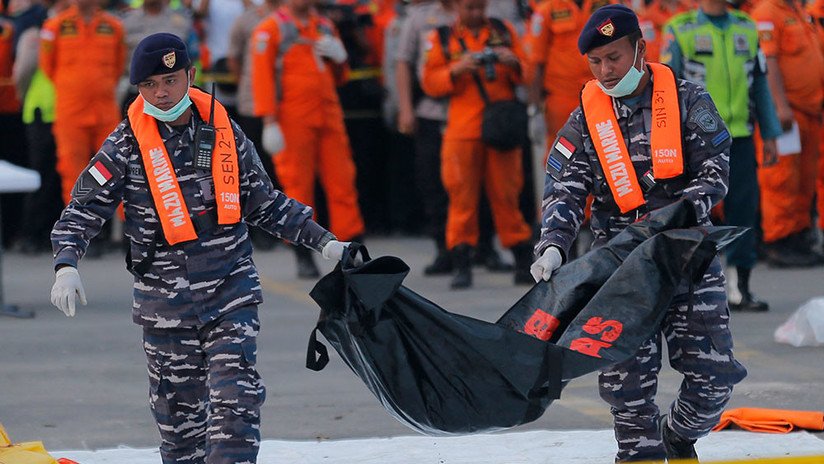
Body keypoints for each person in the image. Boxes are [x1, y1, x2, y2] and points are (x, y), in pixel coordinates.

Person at [48, 33, 358, 464]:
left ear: (190, 76)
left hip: (231, 291)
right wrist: (66, 264)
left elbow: (263, 201)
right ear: (138, 89)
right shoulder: (125, 145)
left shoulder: (223, 131)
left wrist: (324, 242)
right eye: (150, 84)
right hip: (165, 304)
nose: (162, 92)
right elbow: (83, 211)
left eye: (171, 80)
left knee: (237, 404)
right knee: (180, 428)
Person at [530, 5, 747, 461]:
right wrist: (552, 245)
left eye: (614, 57)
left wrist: (684, 210)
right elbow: (565, 191)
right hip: (620, 269)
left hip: (684, 254)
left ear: (640, 49)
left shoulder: (688, 100)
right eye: (596, 62)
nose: (606, 71)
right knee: (627, 393)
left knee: (714, 379)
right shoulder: (583, 121)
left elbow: (716, 169)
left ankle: (679, 433)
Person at [662, 0, 782, 312]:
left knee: (743, 211)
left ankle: (739, 286)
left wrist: (769, 133)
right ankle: (687, 288)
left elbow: (760, 84)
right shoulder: (680, 29)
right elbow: (665, 88)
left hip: (739, 137)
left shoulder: (746, 26)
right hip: (695, 141)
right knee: (692, 212)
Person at [421, 0, 534, 289]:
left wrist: (512, 62)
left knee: (507, 194)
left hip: (500, 124)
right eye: (469, 8)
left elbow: (528, 71)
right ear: (458, 8)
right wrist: (457, 70)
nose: (475, 14)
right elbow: (430, 81)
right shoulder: (441, 37)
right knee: (461, 198)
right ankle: (461, 260)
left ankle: (522, 256)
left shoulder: (503, 31)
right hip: (462, 128)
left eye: (479, 8)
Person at [251, 0, 366, 278]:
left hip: (328, 115)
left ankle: (351, 249)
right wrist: (269, 121)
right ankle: (303, 253)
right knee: (297, 186)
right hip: (293, 118)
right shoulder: (271, 29)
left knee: (343, 182)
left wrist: (341, 59)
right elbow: (262, 76)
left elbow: (340, 76)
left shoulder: (324, 26)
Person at [751, 0, 824, 266]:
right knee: (781, 179)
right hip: (787, 112)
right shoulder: (767, 13)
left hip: (808, 112)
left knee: (804, 179)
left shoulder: (797, 12)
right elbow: (767, 62)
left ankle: (798, 236)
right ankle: (778, 241)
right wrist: (779, 106)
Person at [39, 0, 125, 206]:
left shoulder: (114, 27)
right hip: (71, 112)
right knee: (72, 170)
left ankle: (122, 232)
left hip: (105, 110)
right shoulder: (54, 26)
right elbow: (47, 66)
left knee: (116, 166)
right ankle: (75, 226)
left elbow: (118, 66)